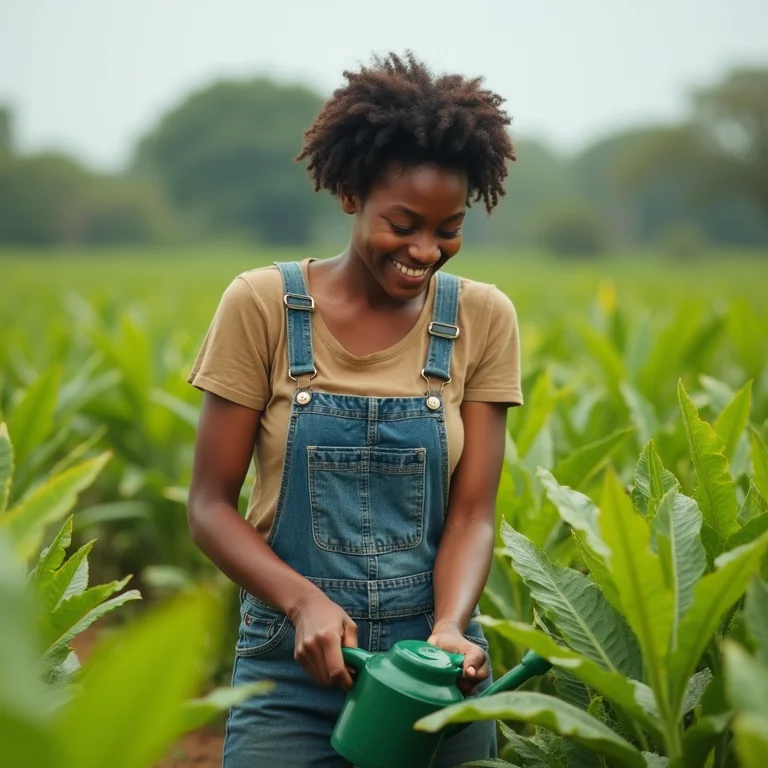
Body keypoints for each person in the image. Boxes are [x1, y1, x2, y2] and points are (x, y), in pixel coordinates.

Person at [187, 51, 522, 768]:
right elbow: (210, 507)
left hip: (433, 673)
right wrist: (301, 601)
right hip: (290, 668)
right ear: (348, 193)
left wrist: (453, 629)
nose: (426, 250)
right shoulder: (263, 305)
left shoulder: (484, 318)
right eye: (403, 224)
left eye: (449, 228)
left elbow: (473, 514)